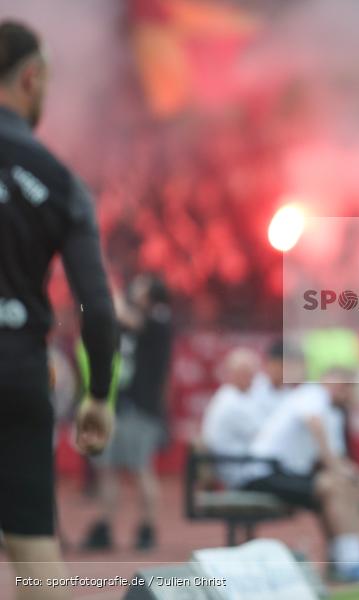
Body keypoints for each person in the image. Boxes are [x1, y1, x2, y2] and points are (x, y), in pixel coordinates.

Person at [0, 20, 117, 600]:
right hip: (15, 375)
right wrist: (99, 397)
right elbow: (96, 306)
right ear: (30, 77)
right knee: (35, 561)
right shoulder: (59, 181)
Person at [243, 375, 359, 583]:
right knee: (335, 486)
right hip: (263, 473)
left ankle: (343, 562)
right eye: (350, 390)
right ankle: (351, 564)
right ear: (339, 386)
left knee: (342, 485)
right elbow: (314, 424)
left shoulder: (333, 412)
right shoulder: (312, 394)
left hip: (288, 474)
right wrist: (341, 472)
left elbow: (337, 457)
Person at [82, 274, 173, 551]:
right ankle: (106, 525)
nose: (136, 287)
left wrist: (110, 290)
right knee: (106, 468)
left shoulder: (159, 318)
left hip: (142, 408)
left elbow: (126, 315)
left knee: (141, 468)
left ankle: (148, 527)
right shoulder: (130, 320)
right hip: (117, 405)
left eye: (142, 285)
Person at [201, 347, 264, 487]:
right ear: (235, 374)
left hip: (239, 466)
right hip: (240, 472)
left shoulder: (231, 396)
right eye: (248, 373)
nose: (253, 378)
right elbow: (264, 435)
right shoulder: (232, 402)